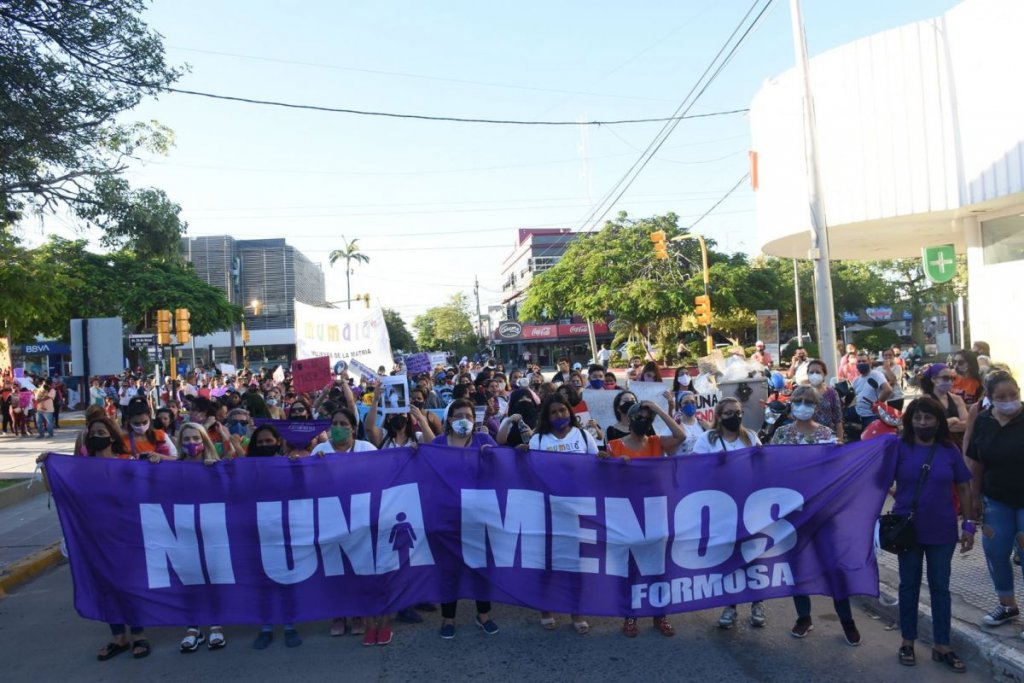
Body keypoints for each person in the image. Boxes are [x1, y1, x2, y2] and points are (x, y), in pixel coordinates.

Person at [38, 416, 147, 659]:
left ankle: (139, 634)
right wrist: (48, 467)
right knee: (106, 586)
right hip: (95, 538)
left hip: (126, 537)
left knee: (130, 584)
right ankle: (119, 637)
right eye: (93, 434)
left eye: (102, 432)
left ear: (112, 436)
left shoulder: (127, 465)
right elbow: (55, 489)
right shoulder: (80, 470)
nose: (97, 437)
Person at [893, 397, 974, 672]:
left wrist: (970, 524)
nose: (923, 423)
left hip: (942, 530)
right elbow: (877, 481)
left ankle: (942, 645)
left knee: (941, 588)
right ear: (910, 420)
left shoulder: (949, 449)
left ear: (938, 420)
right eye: (917, 418)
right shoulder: (898, 447)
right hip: (908, 531)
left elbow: (964, 487)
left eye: (928, 418)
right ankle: (907, 641)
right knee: (908, 586)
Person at [769, 386, 856, 643]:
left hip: (822, 512)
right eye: (798, 401)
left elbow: (835, 473)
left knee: (833, 565)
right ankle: (804, 617)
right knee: (797, 565)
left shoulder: (826, 434)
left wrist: (839, 453)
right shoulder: (782, 434)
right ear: (791, 404)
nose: (803, 406)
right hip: (792, 512)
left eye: (808, 402)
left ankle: (847, 620)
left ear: (817, 407)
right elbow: (772, 469)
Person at [603, 400, 684, 638]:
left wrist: (659, 410)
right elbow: (603, 479)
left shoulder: (657, 442)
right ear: (629, 419)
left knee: (658, 567)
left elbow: (680, 435)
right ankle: (630, 614)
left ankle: (660, 614)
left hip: (655, 512)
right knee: (630, 568)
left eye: (648, 418)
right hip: (626, 514)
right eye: (639, 417)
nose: (644, 421)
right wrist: (615, 466)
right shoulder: (614, 446)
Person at [519, 393, 596, 634]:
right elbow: (530, 474)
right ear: (547, 416)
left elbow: (596, 466)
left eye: (562, 410)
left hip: (577, 509)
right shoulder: (539, 440)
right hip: (547, 511)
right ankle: (546, 608)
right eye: (553, 412)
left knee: (576, 564)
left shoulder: (583, 436)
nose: (559, 415)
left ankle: (577, 611)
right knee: (548, 563)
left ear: (569, 412)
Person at [690, 398, 765, 629]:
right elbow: (693, 469)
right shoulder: (707, 439)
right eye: (729, 412)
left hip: (749, 504)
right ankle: (730, 605)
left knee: (753, 555)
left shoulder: (750, 437)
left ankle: (757, 603)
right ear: (719, 416)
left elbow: (764, 463)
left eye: (739, 412)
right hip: (721, 507)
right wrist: (714, 464)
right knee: (729, 556)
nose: (735, 416)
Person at [433, 399, 498, 638]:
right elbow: (426, 471)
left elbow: (501, 467)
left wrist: (492, 457)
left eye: (469, 416)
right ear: (449, 419)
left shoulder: (483, 440)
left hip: (478, 517)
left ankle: (484, 616)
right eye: (459, 415)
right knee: (448, 570)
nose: (464, 420)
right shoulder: (438, 444)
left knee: (481, 567)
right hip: (447, 517)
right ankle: (448, 619)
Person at [965, 371, 1024, 633]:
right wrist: (974, 497)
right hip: (996, 500)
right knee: (996, 552)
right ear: (989, 398)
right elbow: (977, 462)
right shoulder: (984, 421)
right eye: (1001, 397)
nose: (1009, 400)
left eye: (1014, 395)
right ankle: (1007, 604)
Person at [919, 364, 968, 449]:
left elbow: (966, 424)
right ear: (934, 379)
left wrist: (942, 425)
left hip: (957, 445)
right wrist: (954, 419)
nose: (949, 382)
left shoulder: (957, 399)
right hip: (935, 446)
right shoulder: (926, 400)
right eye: (945, 378)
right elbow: (928, 427)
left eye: (952, 378)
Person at [803, 359, 844, 442]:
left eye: (818, 372)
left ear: (824, 374)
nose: (814, 375)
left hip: (828, 437)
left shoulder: (832, 392)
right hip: (808, 438)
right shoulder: (803, 392)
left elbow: (838, 419)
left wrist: (840, 440)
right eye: (811, 372)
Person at [850, 352, 892, 428]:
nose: (861, 363)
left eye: (864, 361)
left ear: (869, 362)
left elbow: (887, 390)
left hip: (873, 417)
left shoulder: (876, 375)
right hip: (859, 416)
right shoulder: (856, 380)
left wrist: (876, 404)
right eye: (859, 362)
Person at [310, 408, 377, 455]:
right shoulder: (320, 449)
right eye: (334, 423)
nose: (338, 427)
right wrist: (316, 461)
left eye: (343, 424)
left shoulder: (367, 449)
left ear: (353, 429)